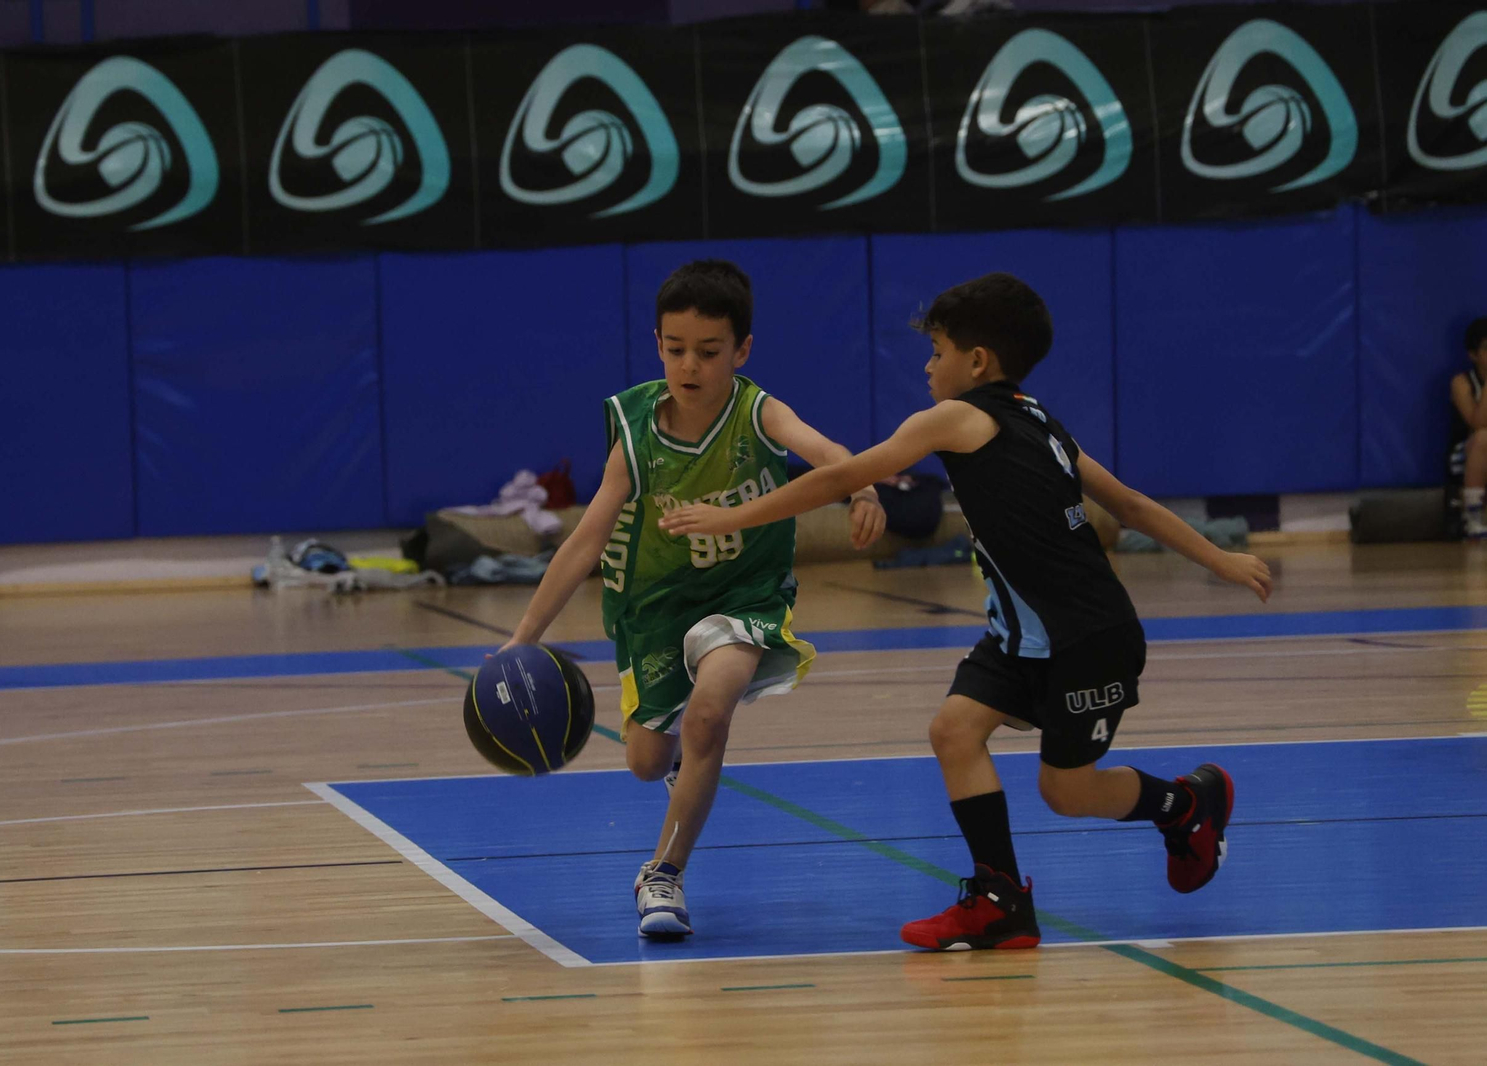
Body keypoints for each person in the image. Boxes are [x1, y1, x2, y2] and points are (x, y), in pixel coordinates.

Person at [660, 272, 1272, 951]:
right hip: (1020, 638)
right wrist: (1220, 558)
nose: (928, 366)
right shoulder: (1038, 418)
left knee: (1067, 793)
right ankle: (999, 900)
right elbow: (1127, 504)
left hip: (1086, 638)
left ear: (977, 361)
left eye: (938, 351)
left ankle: (1185, 804)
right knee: (954, 731)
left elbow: (844, 475)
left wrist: (731, 516)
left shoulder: (958, 417)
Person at [501, 259, 886, 938]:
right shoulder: (636, 430)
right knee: (647, 762)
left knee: (709, 716)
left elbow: (829, 451)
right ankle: (678, 761)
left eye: (709, 352)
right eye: (676, 348)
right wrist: (523, 637)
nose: (690, 365)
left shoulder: (758, 412)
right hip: (656, 601)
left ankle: (665, 875)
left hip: (745, 592)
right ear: (657, 344)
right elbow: (587, 540)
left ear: (742, 351)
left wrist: (863, 487)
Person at [1451, 318, 1487, 539]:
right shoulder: (1462, 383)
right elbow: (1478, 423)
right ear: (1473, 355)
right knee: (1483, 437)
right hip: (1466, 454)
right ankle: (1473, 516)